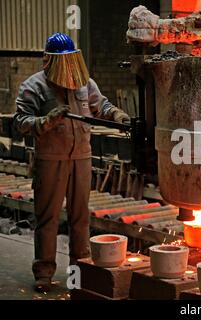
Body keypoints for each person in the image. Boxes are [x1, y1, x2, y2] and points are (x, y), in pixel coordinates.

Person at [13, 33, 130, 293]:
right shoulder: (33, 87)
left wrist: (117, 115)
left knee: (80, 218)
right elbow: (20, 122)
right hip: (50, 159)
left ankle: (79, 272)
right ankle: (44, 273)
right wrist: (46, 120)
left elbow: (102, 106)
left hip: (81, 157)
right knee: (48, 218)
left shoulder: (83, 83)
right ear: (48, 62)